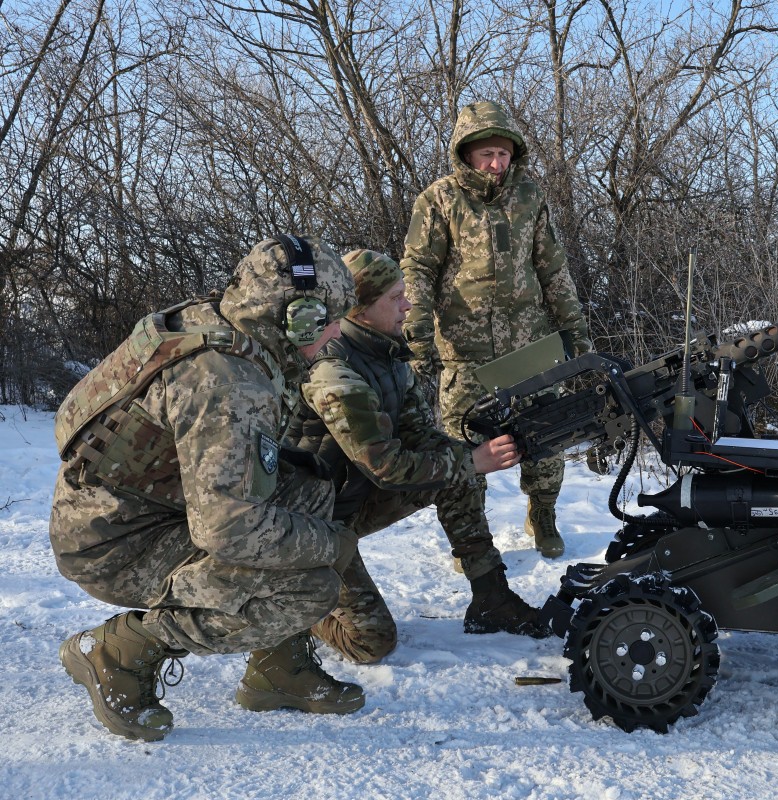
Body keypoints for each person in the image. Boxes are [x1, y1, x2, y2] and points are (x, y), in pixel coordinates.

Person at [50, 235, 363, 742]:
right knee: (309, 586)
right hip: (114, 546)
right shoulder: (228, 383)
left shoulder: (221, 324)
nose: (333, 333)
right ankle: (120, 650)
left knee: (309, 490)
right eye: (325, 319)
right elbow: (229, 529)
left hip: (133, 510)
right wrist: (331, 545)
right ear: (293, 315)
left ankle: (274, 669)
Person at [287, 249, 550, 664]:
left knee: (455, 469)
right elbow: (385, 465)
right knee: (371, 641)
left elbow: (422, 440)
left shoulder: (389, 355)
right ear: (360, 307)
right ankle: (296, 610)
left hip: (349, 502)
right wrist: (471, 461)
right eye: (395, 297)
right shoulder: (333, 371)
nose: (408, 305)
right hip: (309, 523)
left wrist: (480, 450)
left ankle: (491, 598)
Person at [400, 100, 592, 561]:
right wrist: (417, 333)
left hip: (531, 346)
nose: (496, 163)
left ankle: (542, 515)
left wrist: (575, 331)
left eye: (503, 154)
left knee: (547, 436)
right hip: (465, 352)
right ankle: (471, 537)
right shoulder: (439, 200)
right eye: (486, 154)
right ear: (466, 153)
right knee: (463, 447)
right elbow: (419, 268)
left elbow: (553, 269)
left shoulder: (530, 197)